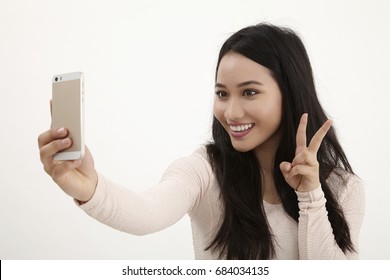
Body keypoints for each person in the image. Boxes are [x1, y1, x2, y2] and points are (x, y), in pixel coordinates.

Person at [38, 23, 365, 260]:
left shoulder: (342, 188)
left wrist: (310, 197)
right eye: (222, 93)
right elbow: (147, 212)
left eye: (249, 92)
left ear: (289, 93)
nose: (231, 111)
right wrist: (89, 187)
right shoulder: (204, 170)